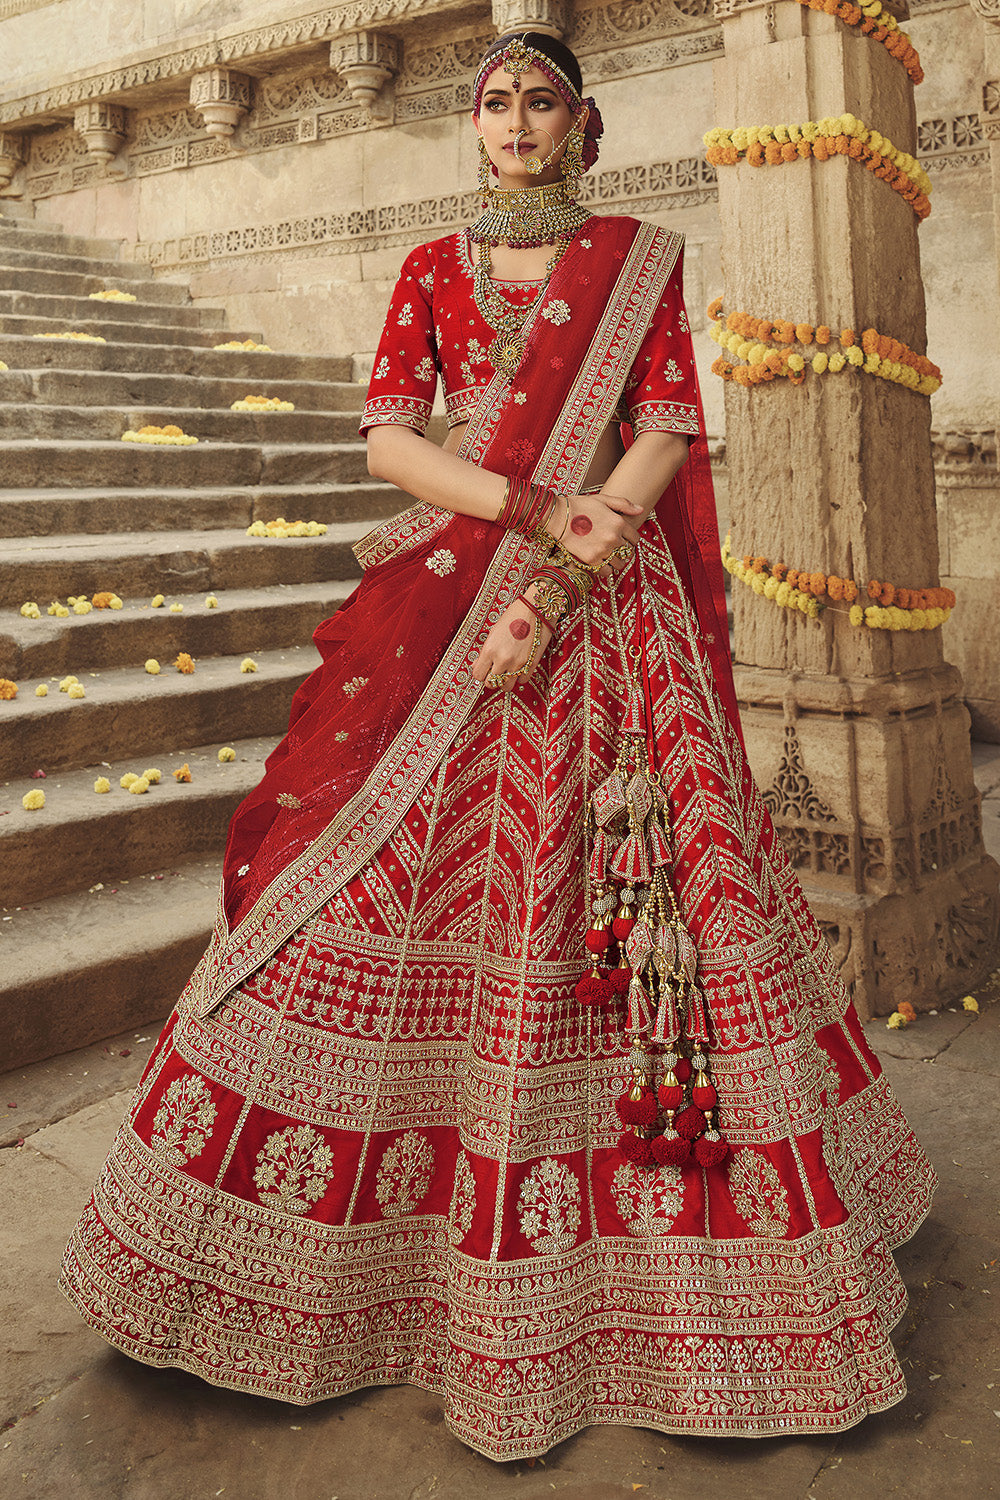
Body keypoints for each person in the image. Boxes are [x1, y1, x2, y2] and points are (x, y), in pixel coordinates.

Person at [61, 31, 936, 1462]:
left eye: (541, 100)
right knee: (354, 871)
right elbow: (389, 443)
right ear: (474, 126)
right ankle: (340, 1271)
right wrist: (532, 512)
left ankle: (693, 1290)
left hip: (608, 614)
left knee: (660, 902)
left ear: (581, 124)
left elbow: (663, 427)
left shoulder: (638, 259)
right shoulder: (428, 269)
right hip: (458, 596)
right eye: (496, 102)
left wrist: (571, 568)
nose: (517, 120)